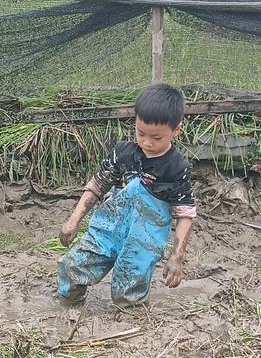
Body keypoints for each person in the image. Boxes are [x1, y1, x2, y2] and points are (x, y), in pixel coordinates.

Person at [56, 84, 196, 307]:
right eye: (141, 133)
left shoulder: (178, 169)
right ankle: (68, 306)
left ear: (176, 129)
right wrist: (73, 221)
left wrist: (177, 255)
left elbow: (185, 213)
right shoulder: (123, 153)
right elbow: (97, 185)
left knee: (129, 294)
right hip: (107, 229)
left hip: (144, 240)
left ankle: (132, 317)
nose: (147, 142)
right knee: (72, 267)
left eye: (157, 137)